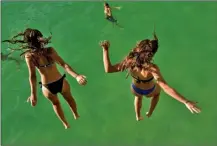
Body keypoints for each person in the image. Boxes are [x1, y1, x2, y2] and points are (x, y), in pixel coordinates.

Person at [99, 32, 201, 121]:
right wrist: (185, 101)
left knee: (138, 98)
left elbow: (109, 69)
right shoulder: (152, 69)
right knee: (157, 94)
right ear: (150, 55)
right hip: (150, 90)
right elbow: (165, 87)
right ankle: (150, 112)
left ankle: (138, 116)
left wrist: (105, 50)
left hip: (135, 89)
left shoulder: (129, 63)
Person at [2, 28, 87, 129]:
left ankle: (65, 124)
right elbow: (63, 64)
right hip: (61, 82)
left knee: (56, 104)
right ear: (40, 38)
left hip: (47, 87)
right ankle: (76, 114)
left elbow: (32, 76)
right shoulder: (49, 51)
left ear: (28, 43)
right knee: (69, 98)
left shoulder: (29, 56)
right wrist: (76, 76)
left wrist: (33, 95)